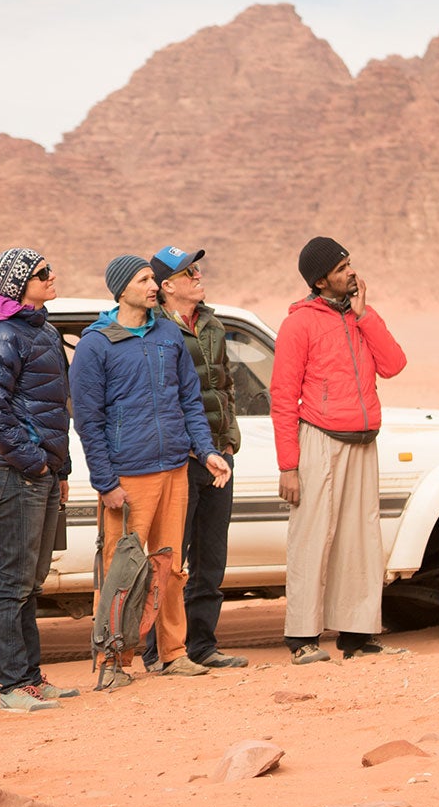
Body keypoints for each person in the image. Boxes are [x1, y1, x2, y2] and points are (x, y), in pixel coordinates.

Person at [70, 255, 233, 690]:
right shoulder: (96, 344)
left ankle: (173, 653)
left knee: (171, 565)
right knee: (121, 571)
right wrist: (106, 483)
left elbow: (190, 402)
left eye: (152, 278)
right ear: (121, 289)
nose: (152, 285)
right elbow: (89, 421)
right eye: (143, 279)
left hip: (176, 469)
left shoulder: (167, 334)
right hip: (130, 476)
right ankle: (114, 660)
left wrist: (205, 451)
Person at [270, 237, 408, 665]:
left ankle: (359, 635)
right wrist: (288, 466)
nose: (352, 272)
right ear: (320, 279)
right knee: (312, 536)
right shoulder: (299, 325)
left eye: (351, 263)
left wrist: (366, 317)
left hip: (363, 442)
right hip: (320, 441)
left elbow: (394, 364)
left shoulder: (359, 319)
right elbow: (282, 397)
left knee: (361, 538)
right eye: (342, 266)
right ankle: (302, 637)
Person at [0, 248, 79, 713]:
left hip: (46, 474)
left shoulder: (43, 329)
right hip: (20, 475)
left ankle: (32, 678)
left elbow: (57, 410)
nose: (52, 276)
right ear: (19, 285)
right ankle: (12, 685)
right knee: (13, 580)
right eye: (42, 273)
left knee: (32, 582)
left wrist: (61, 470)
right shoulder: (1, 335)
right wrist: (33, 462)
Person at [139, 244, 247, 671]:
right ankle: (156, 651)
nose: (199, 276)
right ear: (167, 286)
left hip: (218, 456)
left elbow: (225, 386)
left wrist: (229, 440)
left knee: (210, 557)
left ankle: (201, 644)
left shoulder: (213, 324)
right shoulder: (154, 330)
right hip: (180, 460)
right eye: (189, 272)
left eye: (198, 269)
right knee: (169, 558)